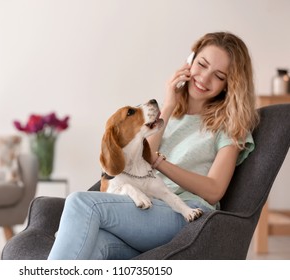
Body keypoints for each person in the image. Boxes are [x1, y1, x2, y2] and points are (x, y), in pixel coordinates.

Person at [48, 31, 259, 260]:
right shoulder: (165, 114)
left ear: (230, 84)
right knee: (96, 246)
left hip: (186, 215)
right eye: (201, 64)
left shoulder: (229, 126)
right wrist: (168, 106)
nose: (204, 78)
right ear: (190, 61)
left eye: (218, 75)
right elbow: (138, 157)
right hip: (144, 210)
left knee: (80, 203)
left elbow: (214, 190)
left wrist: (160, 163)